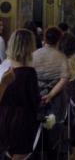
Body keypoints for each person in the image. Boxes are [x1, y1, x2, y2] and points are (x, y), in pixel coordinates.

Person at [0, 29, 40, 159]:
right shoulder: (29, 73)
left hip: (4, 117)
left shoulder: (3, 67)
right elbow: (34, 102)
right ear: (30, 47)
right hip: (22, 120)